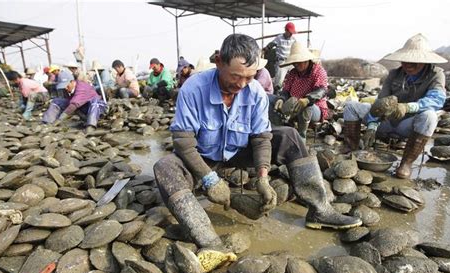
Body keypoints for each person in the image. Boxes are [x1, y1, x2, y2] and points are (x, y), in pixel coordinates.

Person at [153, 34, 361, 253]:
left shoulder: (255, 92)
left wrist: (263, 177)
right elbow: (183, 142)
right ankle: (209, 242)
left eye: (249, 77)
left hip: (239, 151)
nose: (242, 84)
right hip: (204, 155)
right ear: (219, 62)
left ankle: (320, 209)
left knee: (289, 136)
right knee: (165, 167)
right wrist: (209, 179)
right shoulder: (194, 89)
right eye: (235, 76)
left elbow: (261, 138)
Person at [343, 33, 447, 179]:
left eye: (413, 62)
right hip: (385, 121)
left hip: (408, 125)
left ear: (425, 61)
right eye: (405, 61)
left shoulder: (436, 75)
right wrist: (372, 125)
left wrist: (408, 107)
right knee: (351, 106)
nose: (408, 65)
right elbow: (381, 103)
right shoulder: (394, 74)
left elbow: (437, 100)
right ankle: (351, 150)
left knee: (430, 116)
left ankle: (406, 164)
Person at [269, 42, 329, 138]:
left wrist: (307, 99)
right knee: (270, 99)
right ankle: (279, 131)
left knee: (305, 106)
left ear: (306, 60)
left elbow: (322, 90)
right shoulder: (293, 73)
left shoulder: (318, 71)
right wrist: (282, 99)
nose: (296, 65)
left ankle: (301, 137)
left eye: (298, 62)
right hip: (294, 105)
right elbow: (286, 91)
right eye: (294, 62)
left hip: (315, 108)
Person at [42, 70, 107, 133]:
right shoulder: (70, 89)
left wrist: (59, 120)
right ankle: (47, 122)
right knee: (57, 101)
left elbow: (73, 105)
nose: (65, 88)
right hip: (82, 109)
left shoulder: (82, 87)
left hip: (97, 110)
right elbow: (70, 103)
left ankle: (91, 126)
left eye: (67, 86)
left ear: (72, 82)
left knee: (95, 102)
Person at [263, 22, 297, 91]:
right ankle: (277, 94)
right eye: (290, 32)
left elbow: (296, 48)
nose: (291, 34)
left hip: (290, 62)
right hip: (281, 62)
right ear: (286, 30)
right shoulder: (279, 38)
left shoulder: (293, 39)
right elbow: (272, 44)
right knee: (279, 81)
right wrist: (266, 48)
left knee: (296, 76)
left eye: (292, 33)